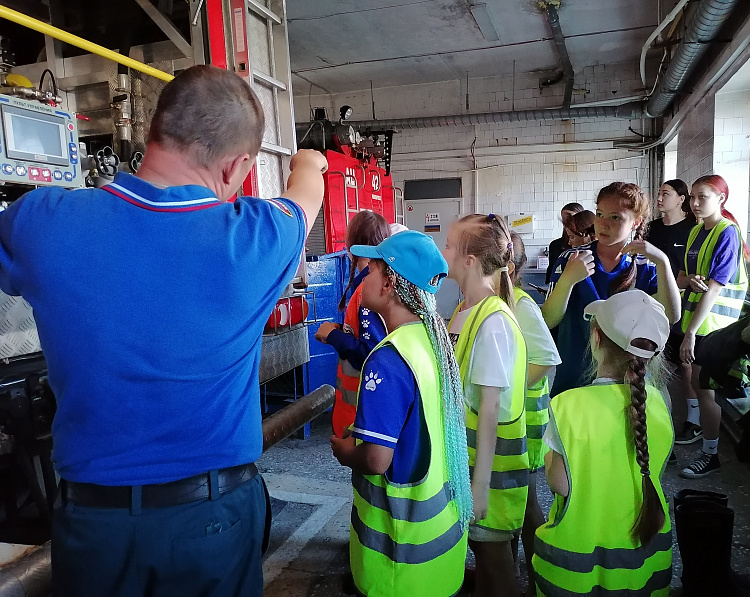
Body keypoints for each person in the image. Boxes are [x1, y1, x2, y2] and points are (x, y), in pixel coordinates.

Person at [0, 65, 327, 596]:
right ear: (236, 166)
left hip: (95, 527)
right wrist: (309, 159)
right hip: (212, 524)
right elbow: (307, 191)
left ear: (155, 131)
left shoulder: (43, 220)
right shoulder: (256, 238)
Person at [330, 231, 472, 597]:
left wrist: (344, 451)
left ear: (389, 283)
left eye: (371, 269)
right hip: (438, 555)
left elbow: (376, 460)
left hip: (398, 565)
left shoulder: (388, 358)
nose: (363, 276)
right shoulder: (431, 340)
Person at [533, 290, 673, 596]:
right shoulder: (660, 404)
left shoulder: (568, 406)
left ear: (595, 339)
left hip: (577, 569)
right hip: (644, 562)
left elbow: (559, 483)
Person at [444, 213, 529, 597]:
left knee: (498, 575)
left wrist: (479, 489)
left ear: (469, 260)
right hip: (469, 469)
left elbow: (490, 411)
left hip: (491, 480)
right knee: (485, 570)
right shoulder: (464, 310)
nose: (443, 251)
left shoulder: (493, 321)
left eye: (449, 245)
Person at [542, 182, 681, 396]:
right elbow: (548, 320)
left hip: (628, 380)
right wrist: (567, 280)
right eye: (599, 214)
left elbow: (671, 315)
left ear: (636, 221)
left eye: (615, 217)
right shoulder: (572, 259)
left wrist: (663, 262)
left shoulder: (647, 265)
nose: (603, 224)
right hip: (575, 378)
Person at [677, 175, 749, 478]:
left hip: (718, 326)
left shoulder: (727, 232)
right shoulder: (696, 231)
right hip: (697, 321)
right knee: (700, 384)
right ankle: (708, 444)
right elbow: (682, 277)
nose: (695, 203)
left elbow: (716, 288)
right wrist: (689, 280)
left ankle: (710, 453)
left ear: (721, 199)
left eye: (702, 197)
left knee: (706, 386)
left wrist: (691, 334)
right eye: (692, 197)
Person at [509, 230, 561, 596]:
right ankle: (511, 571)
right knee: (512, 505)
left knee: (526, 506)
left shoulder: (521, 304)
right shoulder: (494, 301)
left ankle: (536, 578)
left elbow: (545, 359)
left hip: (524, 421)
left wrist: (505, 391)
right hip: (509, 419)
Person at [314, 210, 389, 437]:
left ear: (352, 247)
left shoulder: (368, 290)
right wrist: (340, 331)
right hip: (360, 415)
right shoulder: (373, 285)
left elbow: (369, 353)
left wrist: (333, 336)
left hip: (361, 418)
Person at [545, 202, 584, 284]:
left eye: (570, 219)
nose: (566, 223)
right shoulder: (555, 245)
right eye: (564, 220)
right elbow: (552, 270)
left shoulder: (592, 246)